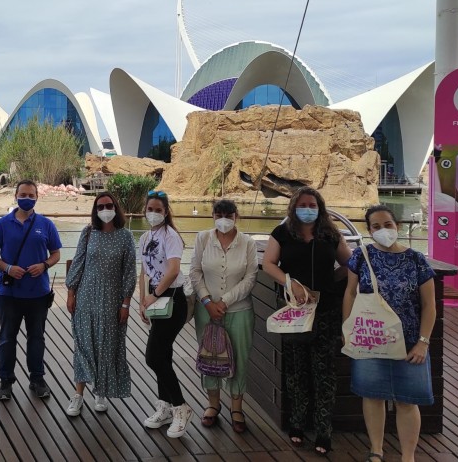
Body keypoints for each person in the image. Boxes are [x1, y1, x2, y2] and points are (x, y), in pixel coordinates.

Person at [262, 187, 352, 455]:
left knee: (323, 371)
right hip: (294, 312)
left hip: (324, 312)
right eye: (302, 204)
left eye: (312, 204)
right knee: (296, 368)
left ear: (320, 207)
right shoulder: (282, 233)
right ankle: (297, 422)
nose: (307, 208)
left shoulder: (331, 235)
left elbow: (350, 263)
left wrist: (331, 282)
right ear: (293, 206)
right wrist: (292, 284)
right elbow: (269, 263)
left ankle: (324, 429)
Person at [343, 205, 436, 462]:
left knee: (407, 401)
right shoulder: (361, 256)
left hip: (408, 341)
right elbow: (350, 293)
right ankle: (376, 450)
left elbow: (429, 305)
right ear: (369, 230)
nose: (383, 230)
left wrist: (423, 342)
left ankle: (408, 456)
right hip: (370, 338)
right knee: (372, 396)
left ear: (397, 226)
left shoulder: (417, 259)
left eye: (387, 224)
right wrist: (348, 329)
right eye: (376, 226)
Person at [0, 179, 62, 400]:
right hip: (9, 294)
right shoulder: (2, 224)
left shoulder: (46, 225)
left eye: (31, 195)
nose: (27, 199)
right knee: (7, 338)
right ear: (15, 196)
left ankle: (37, 379)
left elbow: (56, 253)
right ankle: (5, 382)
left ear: (37, 197)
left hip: (38, 293)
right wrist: (7, 268)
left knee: (36, 338)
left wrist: (45, 265)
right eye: (23, 194)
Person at [188, 199, 258, 433]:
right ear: (213, 215)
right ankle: (213, 404)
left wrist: (225, 301)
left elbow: (250, 277)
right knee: (209, 354)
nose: (223, 218)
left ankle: (236, 407)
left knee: (239, 356)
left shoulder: (247, 242)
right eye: (219, 214)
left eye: (228, 214)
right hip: (206, 310)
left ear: (236, 215)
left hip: (239, 311)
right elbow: (195, 271)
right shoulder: (203, 238)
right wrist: (207, 300)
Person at [65, 192, 136, 417]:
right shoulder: (88, 233)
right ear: (95, 211)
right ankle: (78, 395)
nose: (105, 209)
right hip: (86, 297)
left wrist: (126, 304)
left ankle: (101, 391)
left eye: (109, 205)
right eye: (100, 206)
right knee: (83, 344)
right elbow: (77, 264)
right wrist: (71, 293)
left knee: (106, 345)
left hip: (112, 300)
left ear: (116, 207)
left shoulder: (125, 237)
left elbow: (129, 272)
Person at [138, 190, 194, 438]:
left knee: (153, 357)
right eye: (150, 209)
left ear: (166, 212)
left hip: (173, 299)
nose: (153, 213)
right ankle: (164, 406)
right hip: (155, 300)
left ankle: (180, 407)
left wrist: (153, 296)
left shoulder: (171, 237)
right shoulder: (145, 237)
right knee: (163, 355)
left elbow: (173, 270)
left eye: (158, 210)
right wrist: (142, 300)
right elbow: (144, 271)